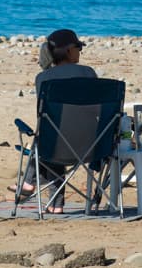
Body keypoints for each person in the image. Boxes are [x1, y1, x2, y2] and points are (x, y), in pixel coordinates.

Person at [11, 28, 97, 213]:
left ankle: (29, 182)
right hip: (94, 146)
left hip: (57, 145)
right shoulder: (89, 73)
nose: (80, 51)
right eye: (78, 47)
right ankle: (55, 204)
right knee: (56, 132)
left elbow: (45, 116)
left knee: (51, 132)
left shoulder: (43, 78)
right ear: (67, 50)